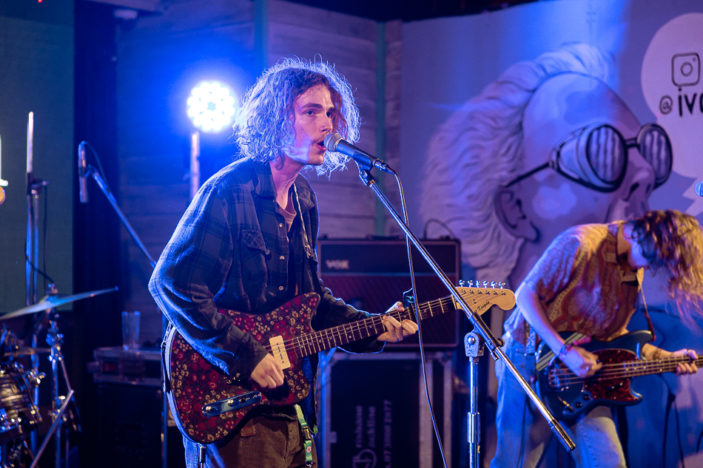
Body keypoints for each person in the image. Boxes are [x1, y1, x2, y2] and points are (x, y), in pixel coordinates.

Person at [149, 58, 418, 468]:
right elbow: (172, 284)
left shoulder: (304, 198)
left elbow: (312, 304)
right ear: (276, 120)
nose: (327, 124)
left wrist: (375, 326)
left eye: (331, 113)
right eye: (311, 111)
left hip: (289, 406)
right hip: (231, 405)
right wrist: (246, 355)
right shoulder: (230, 190)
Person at [490, 209, 703, 468]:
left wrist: (666, 358)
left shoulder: (633, 265)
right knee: (514, 463)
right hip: (528, 360)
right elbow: (525, 295)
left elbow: (614, 339)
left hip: (581, 376)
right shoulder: (581, 243)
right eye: (651, 260)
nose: (648, 268)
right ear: (639, 236)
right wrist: (565, 351)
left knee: (608, 462)